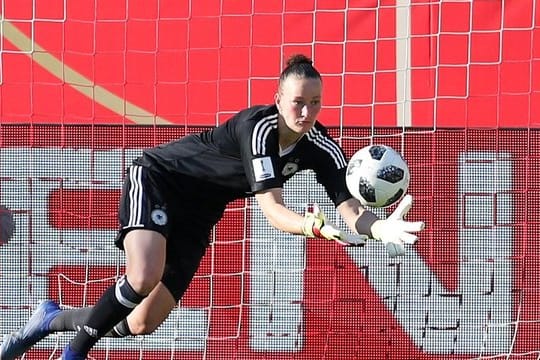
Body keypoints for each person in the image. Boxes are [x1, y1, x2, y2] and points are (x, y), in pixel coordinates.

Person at [0, 54, 424, 360]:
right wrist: (309, 227)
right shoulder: (257, 129)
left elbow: (349, 206)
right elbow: (273, 210)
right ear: (278, 99)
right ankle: (74, 353)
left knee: (136, 324)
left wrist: (379, 228)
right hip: (160, 179)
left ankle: (50, 319)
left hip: (198, 215)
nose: (307, 111)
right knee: (143, 275)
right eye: (298, 101)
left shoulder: (320, 145)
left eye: (315, 102)